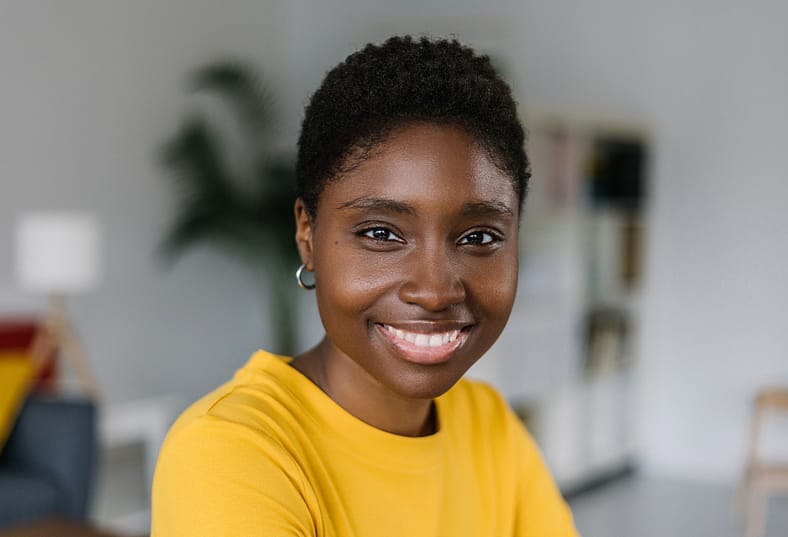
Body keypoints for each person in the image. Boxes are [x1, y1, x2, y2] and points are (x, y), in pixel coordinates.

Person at [151, 35, 579, 537]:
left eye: (479, 236)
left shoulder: (488, 424)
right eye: (381, 233)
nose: (436, 290)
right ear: (307, 235)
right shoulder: (232, 452)